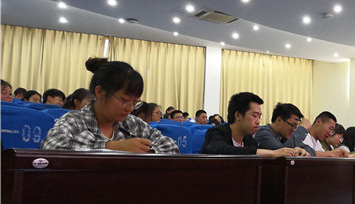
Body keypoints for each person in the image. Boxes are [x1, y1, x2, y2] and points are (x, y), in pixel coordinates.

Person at [41, 57, 178, 153]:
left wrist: (147, 151)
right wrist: (114, 147)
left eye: (135, 102)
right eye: (124, 100)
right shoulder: (75, 120)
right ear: (100, 92)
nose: (130, 108)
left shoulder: (131, 123)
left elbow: (170, 146)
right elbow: (52, 146)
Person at [200, 92, 297, 157]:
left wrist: (293, 152)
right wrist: (271, 153)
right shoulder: (216, 132)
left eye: (259, 117)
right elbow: (222, 150)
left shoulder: (248, 139)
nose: (258, 121)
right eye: (254, 116)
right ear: (238, 115)